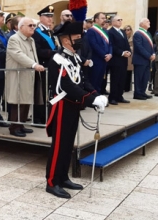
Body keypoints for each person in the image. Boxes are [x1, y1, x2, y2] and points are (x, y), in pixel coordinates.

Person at [46, 21, 107, 199]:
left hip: (73, 105)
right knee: (59, 145)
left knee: (68, 144)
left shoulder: (75, 57)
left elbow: (82, 80)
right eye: (77, 38)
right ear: (66, 41)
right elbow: (65, 86)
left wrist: (96, 95)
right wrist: (89, 99)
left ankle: (63, 177)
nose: (80, 41)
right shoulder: (57, 59)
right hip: (62, 106)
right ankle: (52, 182)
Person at [5, 17, 44, 137]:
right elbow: (18, 54)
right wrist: (34, 65)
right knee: (18, 101)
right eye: (30, 25)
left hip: (29, 74)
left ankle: (21, 124)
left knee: (26, 101)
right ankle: (14, 127)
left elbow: (33, 55)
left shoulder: (30, 40)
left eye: (34, 25)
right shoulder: (14, 39)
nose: (33, 27)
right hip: (18, 75)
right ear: (21, 27)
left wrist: (35, 67)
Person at [32, 5, 57, 126]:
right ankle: (38, 117)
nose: (50, 19)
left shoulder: (50, 32)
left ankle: (47, 116)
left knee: (49, 92)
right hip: (42, 66)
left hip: (51, 66)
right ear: (41, 18)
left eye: (51, 16)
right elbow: (37, 50)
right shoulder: (37, 33)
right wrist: (53, 53)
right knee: (40, 93)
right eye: (47, 16)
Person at [107, 15, 131, 105]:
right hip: (116, 60)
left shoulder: (122, 32)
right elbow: (112, 45)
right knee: (115, 79)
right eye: (118, 20)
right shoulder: (110, 32)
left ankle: (119, 96)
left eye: (121, 20)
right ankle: (112, 97)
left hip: (124, 60)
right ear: (112, 22)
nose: (120, 21)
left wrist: (129, 51)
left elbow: (126, 44)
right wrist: (122, 52)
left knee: (122, 79)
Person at [87, 12, 112, 94]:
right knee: (94, 79)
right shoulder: (92, 31)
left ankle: (99, 95)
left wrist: (110, 54)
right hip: (96, 59)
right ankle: (93, 97)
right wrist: (104, 55)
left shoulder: (105, 31)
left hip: (105, 59)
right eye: (102, 18)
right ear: (96, 20)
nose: (104, 20)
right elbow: (94, 45)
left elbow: (110, 44)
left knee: (100, 80)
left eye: (105, 18)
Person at [132, 18, 155, 100]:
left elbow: (151, 45)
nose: (149, 22)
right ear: (141, 24)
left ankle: (142, 92)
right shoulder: (138, 34)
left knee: (145, 77)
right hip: (140, 60)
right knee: (139, 77)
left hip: (147, 60)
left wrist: (153, 54)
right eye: (147, 21)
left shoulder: (148, 33)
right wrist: (149, 55)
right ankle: (137, 93)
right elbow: (139, 47)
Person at [124, 25, 134, 92]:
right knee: (123, 73)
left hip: (130, 57)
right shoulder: (123, 37)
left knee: (129, 73)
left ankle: (127, 87)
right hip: (124, 56)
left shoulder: (132, 39)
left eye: (129, 30)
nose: (127, 31)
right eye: (126, 30)